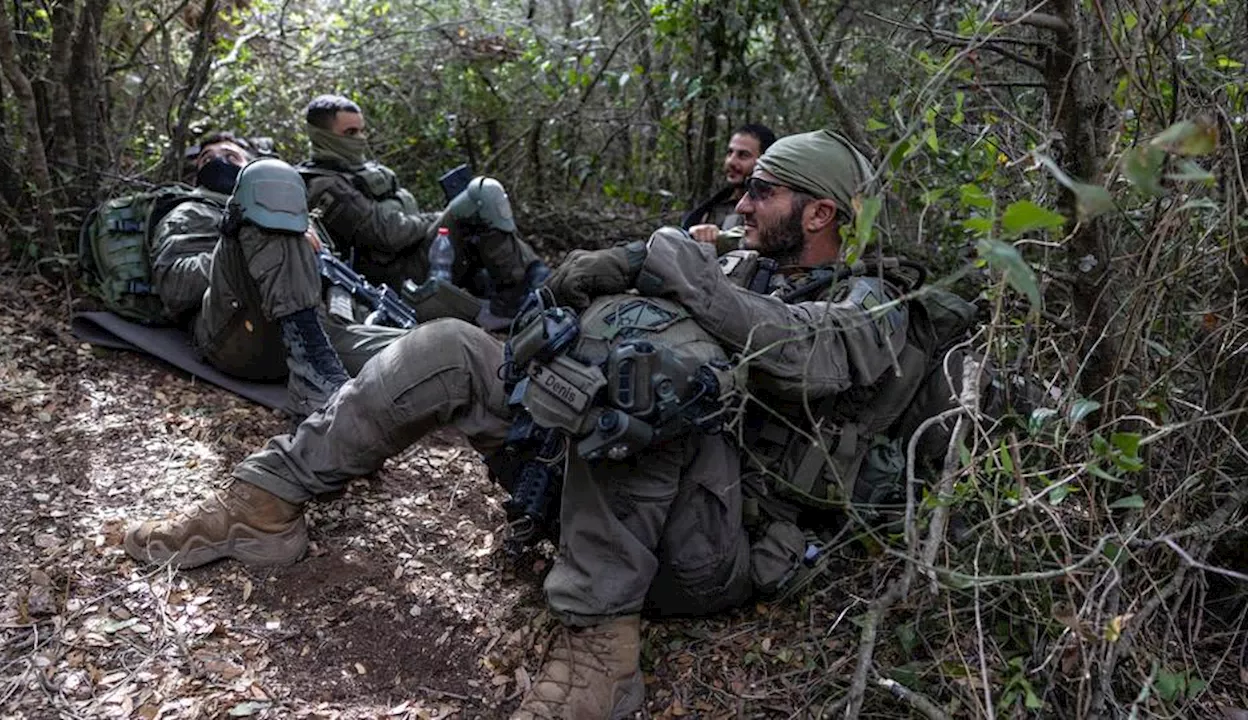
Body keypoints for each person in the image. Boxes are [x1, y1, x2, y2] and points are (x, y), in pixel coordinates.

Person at [124, 130, 945, 719]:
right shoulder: (740, 256)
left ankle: (601, 653)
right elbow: (612, 295)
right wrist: (624, 267)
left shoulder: (879, 304)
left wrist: (692, 282)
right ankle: (266, 503)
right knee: (446, 347)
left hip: (714, 545)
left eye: (763, 190)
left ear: (820, 215)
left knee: (645, 390)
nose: (743, 198)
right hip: (607, 490)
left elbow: (816, 357)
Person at [151, 132, 407, 416]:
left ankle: (317, 367)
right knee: (267, 191)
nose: (218, 162)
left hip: (321, 332)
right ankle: (313, 383)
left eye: (231, 156)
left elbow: (333, 278)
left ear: (247, 161)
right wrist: (243, 233)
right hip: (239, 331)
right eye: (207, 159)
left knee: (440, 346)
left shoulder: (300, 213)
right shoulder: (189, 211)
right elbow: (174, 286)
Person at [298, 94, 548, 318]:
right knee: (483, 193)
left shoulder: (360, 171)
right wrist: (444, 216)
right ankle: (518, 300)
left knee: (478, 214)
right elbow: (388, 234)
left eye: (362, 131)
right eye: (350, 133)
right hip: (396, 279)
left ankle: (532, 285)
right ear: (323, 136)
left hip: (419, 257)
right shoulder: (324, 185)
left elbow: (405, 218)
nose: (361, 139)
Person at [681, 123, 776, 251]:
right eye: (730, 153)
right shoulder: (713, 206)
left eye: (743, 155)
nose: (731, 162)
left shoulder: (774, 208)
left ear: (764, 160)